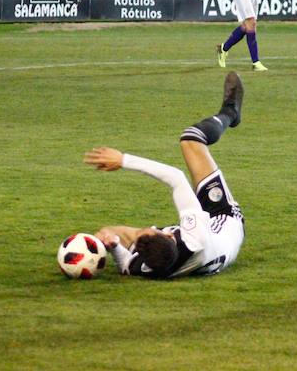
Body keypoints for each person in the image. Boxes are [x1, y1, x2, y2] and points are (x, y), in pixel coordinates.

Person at [82, 72, 246, 279]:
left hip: (201, 249)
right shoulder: (196, 238)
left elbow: (125, 262)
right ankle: (230, 112)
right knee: (192, 138)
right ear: (170, 233)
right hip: (223, 219)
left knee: (107, 232)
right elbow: (176, 177)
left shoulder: (147, 266)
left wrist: (113, 245)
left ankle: (84, 257)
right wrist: (123, 160)